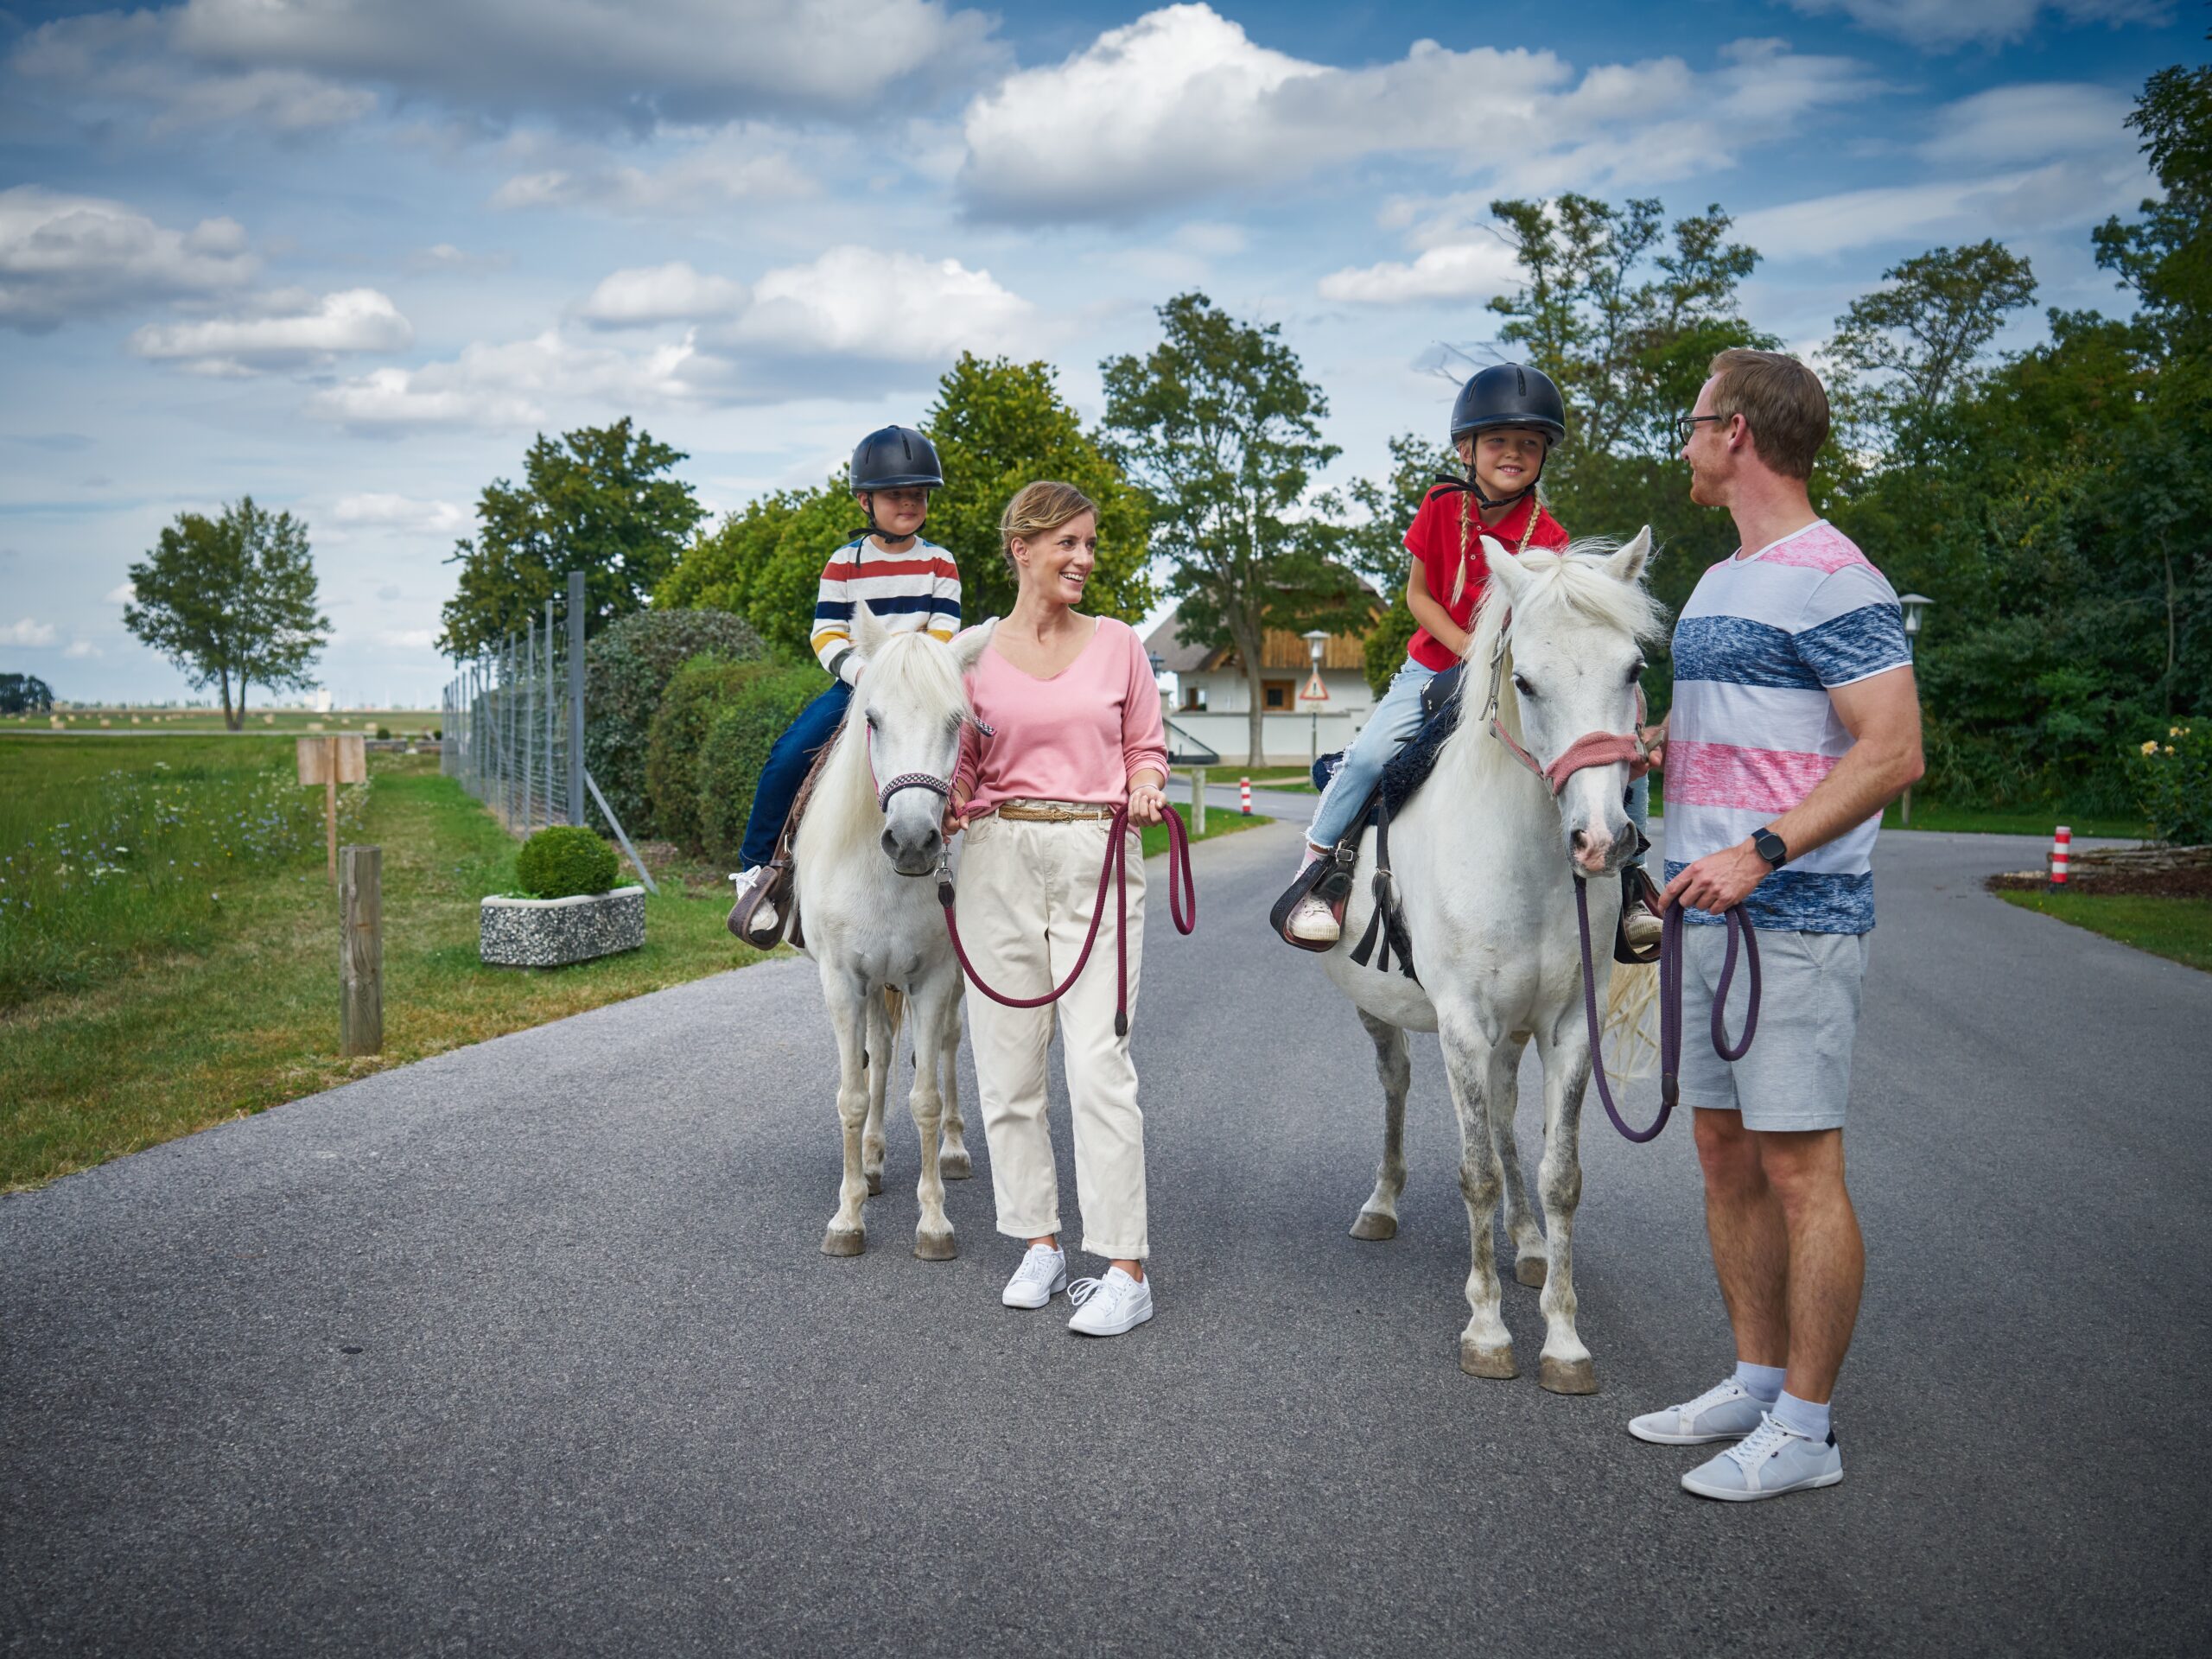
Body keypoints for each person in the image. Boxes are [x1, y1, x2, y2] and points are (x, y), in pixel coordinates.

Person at [1628, 348, 1923, 1501]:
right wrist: (1651, 746)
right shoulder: (1719, 582)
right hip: (1705, 917)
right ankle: (1755, 1383)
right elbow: (1737, 731)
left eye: (1694, 423)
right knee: (1723, 1156)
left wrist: (1762, 851)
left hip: (1793, 914)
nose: (1687, 443)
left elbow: (1892, 750)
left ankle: (1807, 1430)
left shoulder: (1835, 578)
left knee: (1802, 1171)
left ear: (1736, 432)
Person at [944, 480, 1171, 1338]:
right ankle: (1038, 1241)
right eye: (1067, 544)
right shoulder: (971, 656)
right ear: (1022, 549)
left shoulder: (1118, 645)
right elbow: (960, 763)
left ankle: (1123, 1267)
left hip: (1096, 851)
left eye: (1088, 544)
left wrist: (1145, 784)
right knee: (1006, 1071)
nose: (1083, 558)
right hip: (997, 857)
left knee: (1099, 1065)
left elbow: (1143, 748)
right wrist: (955, 801)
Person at [725, 425, 961, 935]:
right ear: (864, 501)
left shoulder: (941, 561)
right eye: (897, 494)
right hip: (857, 685)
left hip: (922, 687)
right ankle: (756, 870)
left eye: (918, 494)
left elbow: (945, 627)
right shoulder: (842, 563)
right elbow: (826, 633)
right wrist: (865, 673)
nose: (910, 503)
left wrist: (911, 670)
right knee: (789, 754)